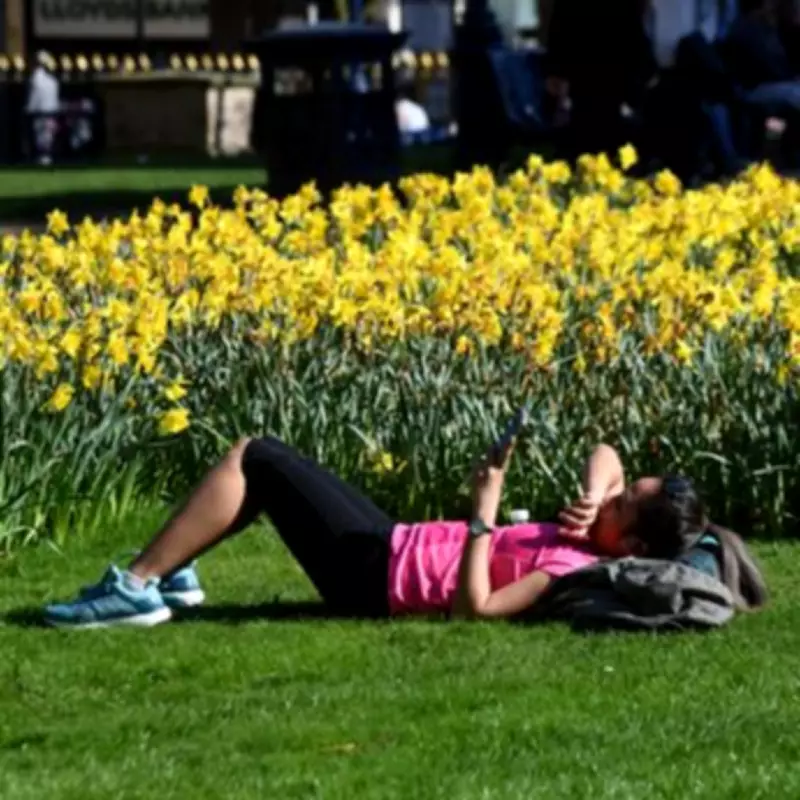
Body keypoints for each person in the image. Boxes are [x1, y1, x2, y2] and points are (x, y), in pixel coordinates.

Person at [44, 438, 767, 629]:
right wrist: (595, 492)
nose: (615, 491)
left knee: (259, 458)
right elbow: (605, 452)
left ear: (632, 547)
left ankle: (138, 587)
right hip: (395, 542)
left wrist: (486, 510)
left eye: (624, 501)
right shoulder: (592, 530)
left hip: (375, 579)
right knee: (272, 466)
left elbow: (475, 609)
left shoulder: (573, 571)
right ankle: (174, 574)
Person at [25, 51, 60, 166]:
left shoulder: (39, 78)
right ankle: (44, 157)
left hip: (43, 110)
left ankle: (45, 157)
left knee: (44, 135)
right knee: (45, 135)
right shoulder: (43, 78)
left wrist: (30, 108)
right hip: (47, 110)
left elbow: (35, 94)